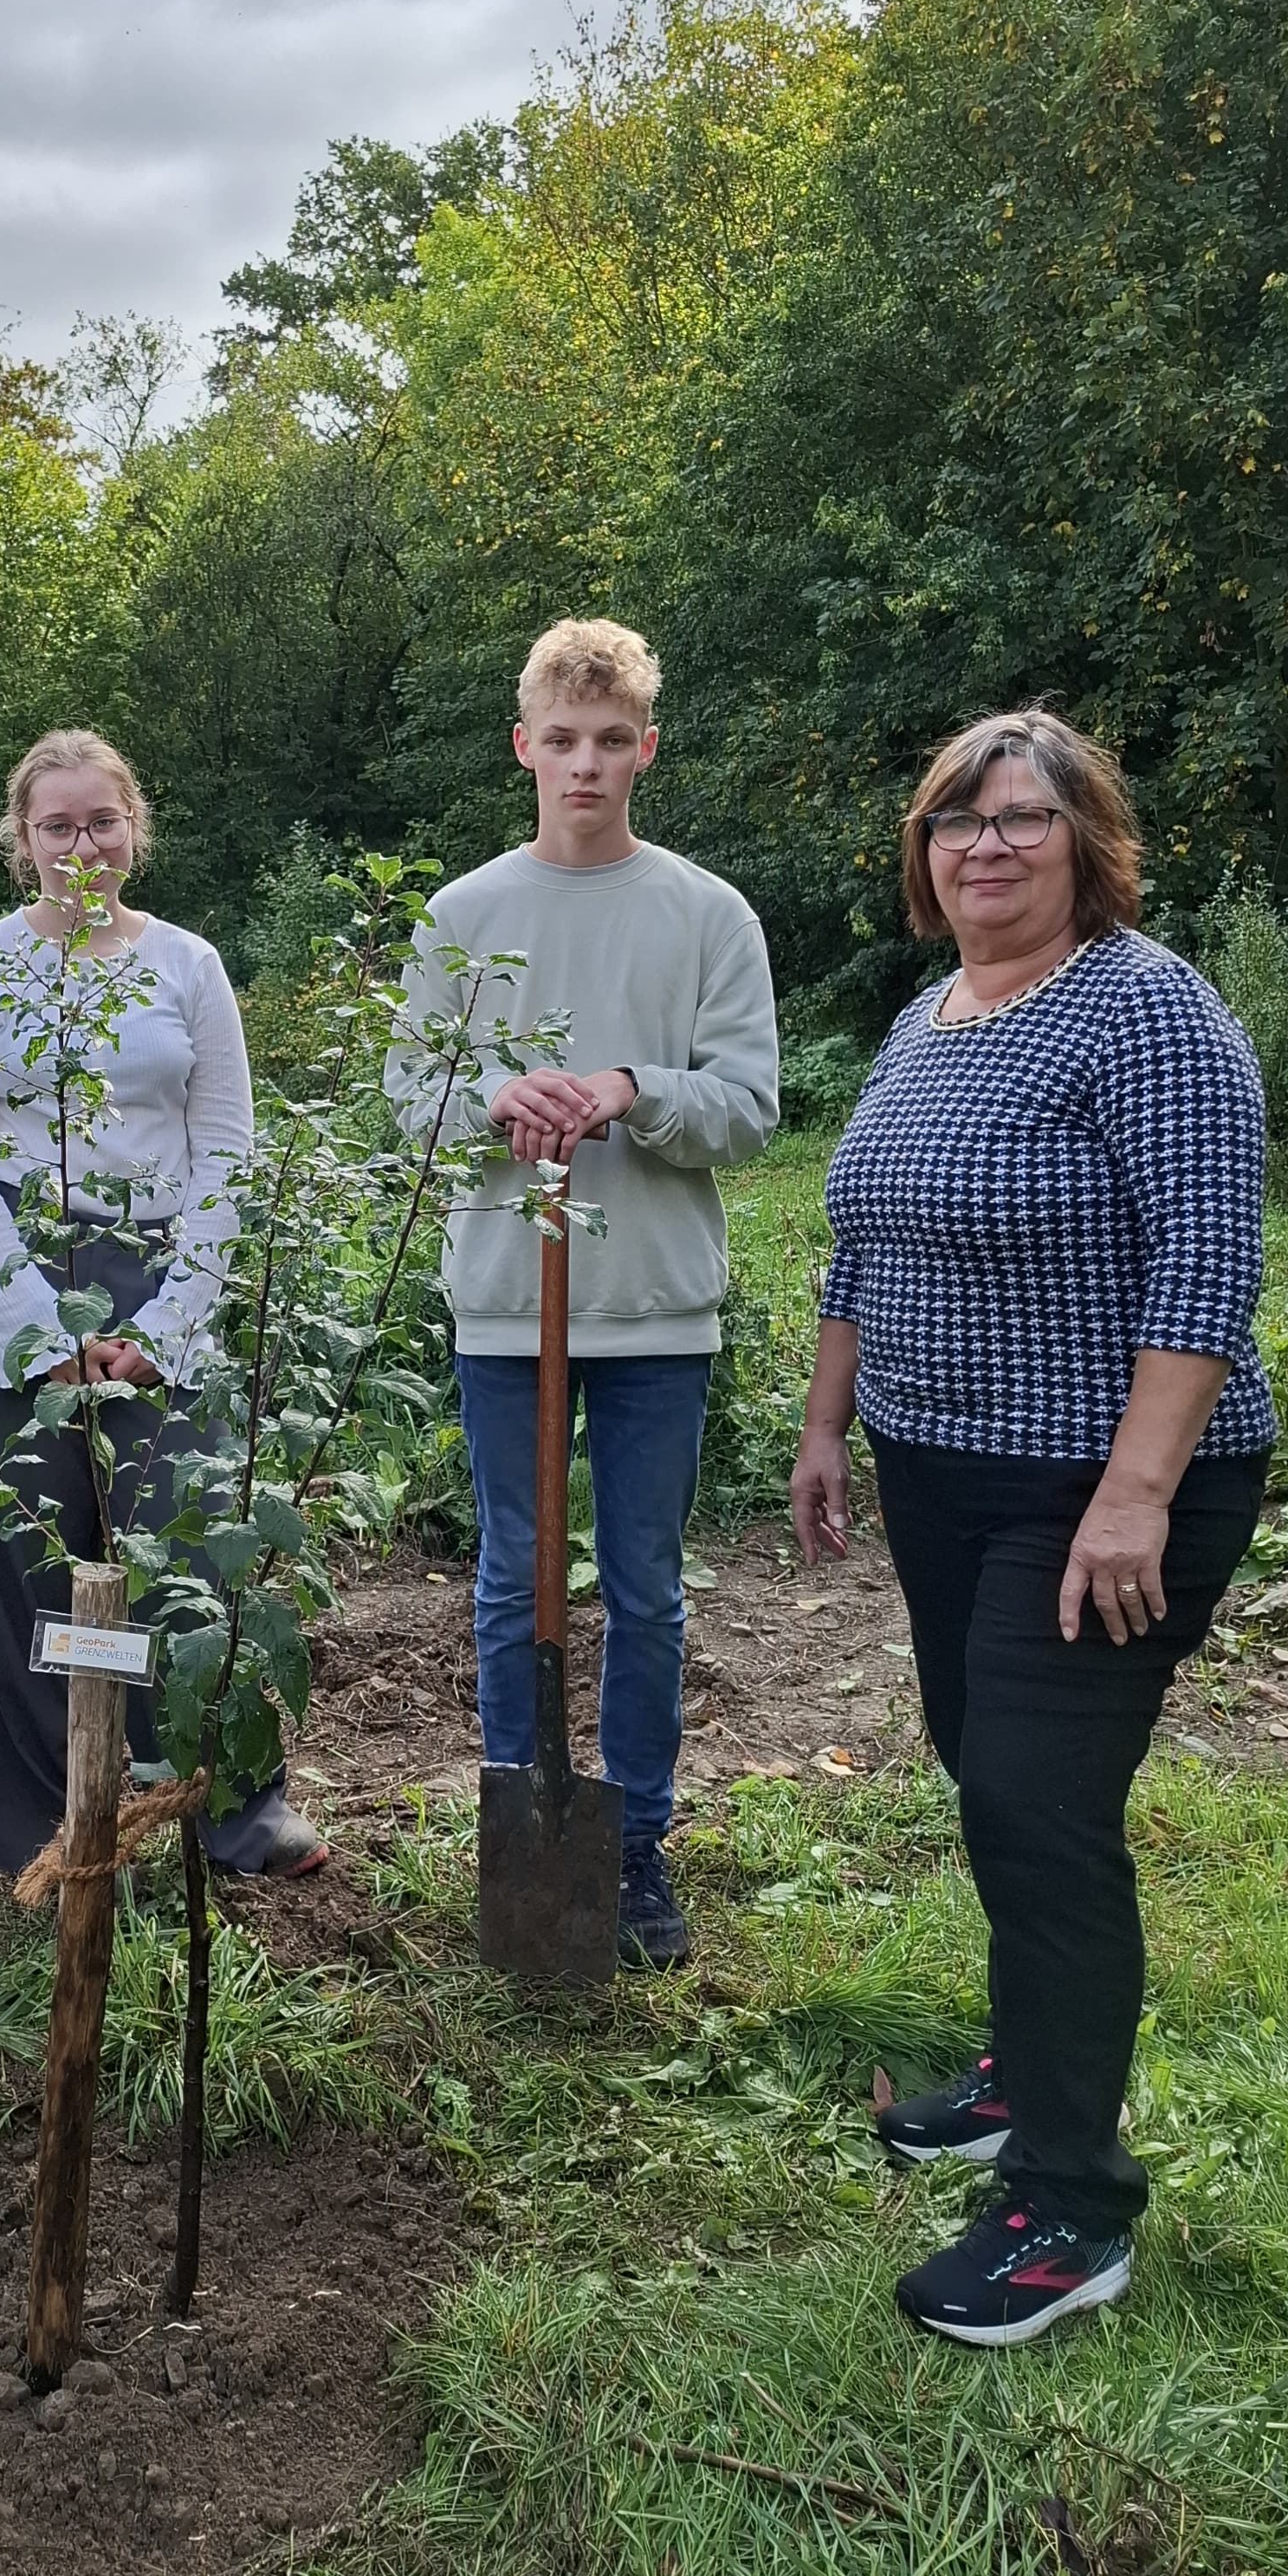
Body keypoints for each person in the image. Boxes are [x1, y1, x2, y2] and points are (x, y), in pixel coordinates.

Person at [791, 709, 1272, 2345]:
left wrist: (1136, 1493)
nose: (983, 846)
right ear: (924, 854)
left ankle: (1072, 2206)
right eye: (955, 821)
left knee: (1035, 1804)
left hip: (1103, 1490)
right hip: (944, 1474)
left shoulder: (1146, 1008)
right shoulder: (928, 1016)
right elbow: (861, 1238)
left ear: (1088, 842)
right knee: (982, 1763)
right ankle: (1027, 2068)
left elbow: (1209, 1258)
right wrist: (825, 1424)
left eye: (1021, 819)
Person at [392, 619, 779, 1968]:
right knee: (515, 1579)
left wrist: (629, 1090)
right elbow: (412, 1101)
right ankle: (527, 1826)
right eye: (561, 740)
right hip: (511, 1303)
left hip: (655, 1309)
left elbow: (749, 1109)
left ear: (646, 751)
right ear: (523, 747)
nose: (586, 765)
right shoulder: (463, 918)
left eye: (612, 741)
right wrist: (495, 1100)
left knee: (647, 1589)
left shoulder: (708, 914)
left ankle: (636, 1849)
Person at [0, 727, 321, 1878]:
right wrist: (33, 1326)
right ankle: (57, 1824)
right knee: (30, 1567)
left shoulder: (188, 965)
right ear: (23, 838)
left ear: (134, 827)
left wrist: (170, 1322)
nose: (81, 845)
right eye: (58, 825)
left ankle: (227, 1806)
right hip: (12, 1282)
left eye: (102, 821)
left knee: (184, 1553)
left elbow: (226, 1149)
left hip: (161, 1276)